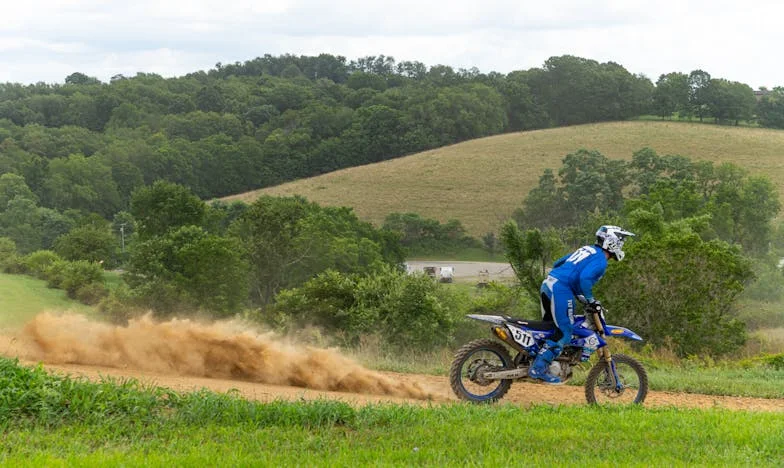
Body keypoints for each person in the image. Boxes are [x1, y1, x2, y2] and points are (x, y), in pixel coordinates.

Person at [528, 225, 635, 384]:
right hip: (560, 289)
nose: (622, 245)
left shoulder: (588, 249)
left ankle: (539, 361)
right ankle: (538, 369)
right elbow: (584, 279)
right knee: (565, 331)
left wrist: (578, 293)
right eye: (621, 241)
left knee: (551, 329)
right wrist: (590, 300)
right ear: (612, 242)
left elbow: (558, 263)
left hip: (548, 284)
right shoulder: (600, 261)